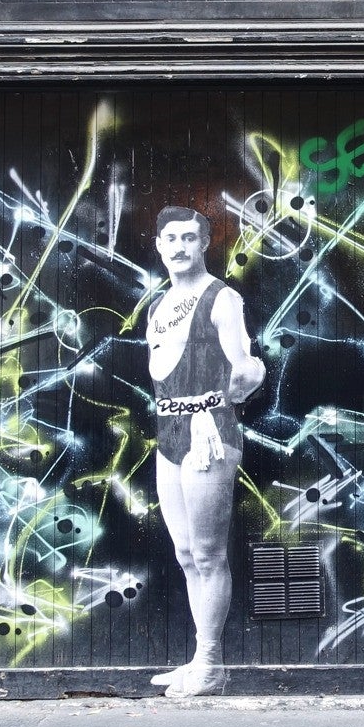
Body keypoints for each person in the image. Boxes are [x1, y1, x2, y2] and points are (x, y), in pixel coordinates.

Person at [145, 206, 265, 698]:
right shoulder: (158, 302)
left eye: (189, 238)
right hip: (167, 429)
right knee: (185, 551)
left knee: (210, 552)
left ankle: (211, 663)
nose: (179, 247)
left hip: (207, 433)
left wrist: (239, 382)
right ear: (158, 245)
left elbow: (245, 365)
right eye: (170, 238)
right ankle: (200, 656)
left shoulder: (223, 298)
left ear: (204, 244)